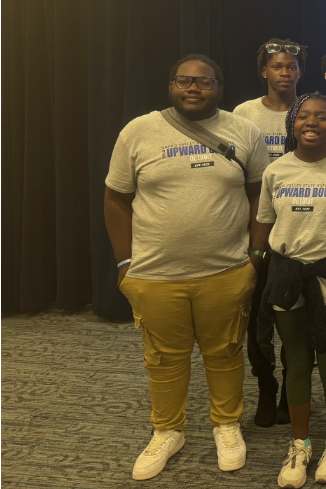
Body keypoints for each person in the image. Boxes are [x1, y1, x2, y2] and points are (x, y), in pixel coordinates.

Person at [106, 54, 269, 481]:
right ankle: (167, 430)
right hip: (155, 274)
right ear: (170, 86)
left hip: (227, 270)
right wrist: (125, 262)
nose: (193, 88)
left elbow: (259, 198)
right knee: (163, 359)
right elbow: (115, 199)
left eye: (204, 81)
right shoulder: (138, 131)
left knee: (225, 351)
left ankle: (226, 425)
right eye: (184, 80)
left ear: (220, 87)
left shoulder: (244, 131)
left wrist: (255, 257)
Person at [252, 93, 326, 488]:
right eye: (304, 116)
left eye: (322, 117)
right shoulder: (276, 172)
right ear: (292, 124)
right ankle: (300, 443)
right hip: (288, 282)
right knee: (297, 363)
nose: (312, 122)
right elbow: (267, 226)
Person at [233, 38, 307, 427]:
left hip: (302, 232)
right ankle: (265, 383)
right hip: (257, 231)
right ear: (264, 71)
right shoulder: (243, 115)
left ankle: (288, 391)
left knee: (297, 320)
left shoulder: (307, 110)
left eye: (291, 67)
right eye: (277, 66)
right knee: (256, 320)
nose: (285, 73)